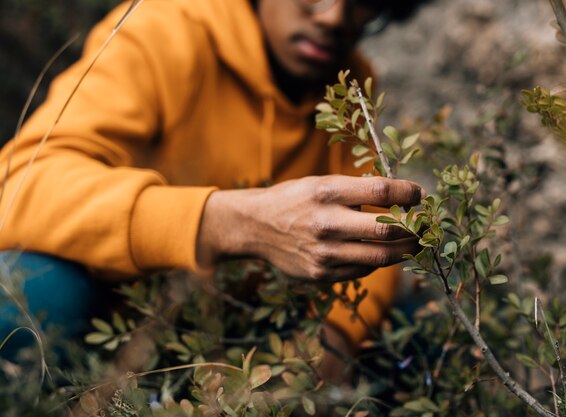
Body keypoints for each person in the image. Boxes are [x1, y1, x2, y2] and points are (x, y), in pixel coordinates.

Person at [0, 0, 425, 366]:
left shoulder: (348, 83)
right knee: (26, 291)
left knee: (411, 331)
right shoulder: (165, 28)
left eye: (365, 1)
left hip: (239, 336)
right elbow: (21, 185)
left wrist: (336, 341)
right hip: (112, 311)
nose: (334, 17)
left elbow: (371, 237)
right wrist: (230, 223)